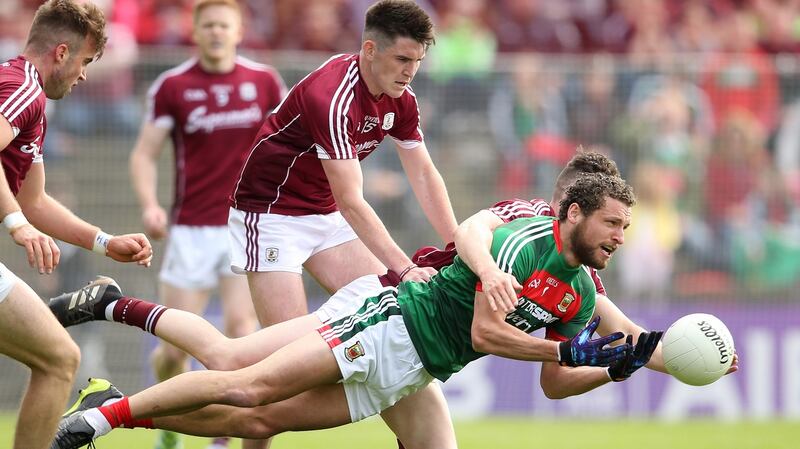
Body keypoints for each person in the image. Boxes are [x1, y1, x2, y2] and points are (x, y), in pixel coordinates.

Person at [50, 173, 659, 449]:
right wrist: (567, 349)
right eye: (612, 223)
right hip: (389, 320)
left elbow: (557, 382)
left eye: (625, 227)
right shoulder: (519, 237)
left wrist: (617, 365)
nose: (620, 237)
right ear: (571, 211)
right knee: (244, 380)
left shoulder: (581, 290)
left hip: (415, 368)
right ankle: (105, 410)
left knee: (261, 419)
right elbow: (487, 329)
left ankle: (111, 405)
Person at [227, 0, 459, 446]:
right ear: (369, 49)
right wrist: (404, 269)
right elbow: (354, 201)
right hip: (270, 217)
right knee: (287, 368)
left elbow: (425, 175)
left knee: (397, 325)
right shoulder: (332, 97)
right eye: (403, 59)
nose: (411, 71)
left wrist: (459, 242)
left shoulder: (401, 100)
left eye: (418, 61)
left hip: (323, 213)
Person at [127, 1, 285, 448]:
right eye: (208, 25)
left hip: (246, 226)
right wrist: (150, 205)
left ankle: (225, 433)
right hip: (191, 229)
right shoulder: (172, 85)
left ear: (239, 31)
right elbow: (144, 153)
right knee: (175, 350)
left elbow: (289, 141)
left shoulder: (264, 81)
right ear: (195, 32)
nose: (216, 32)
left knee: (242, 331)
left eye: (224, 25)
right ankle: (169, 430)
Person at [0, 2, 152, 449]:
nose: (83, 74)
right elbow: (24, 213)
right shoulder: (21, 89)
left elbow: (36, 201)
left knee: (58, 357)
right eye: (85, 61)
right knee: (59, 357)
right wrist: (15, 225)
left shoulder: (26, 97)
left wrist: (104, 243)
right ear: (62, 52)